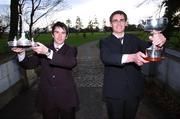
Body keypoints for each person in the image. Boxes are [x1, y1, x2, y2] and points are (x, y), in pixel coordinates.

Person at [99, 10, 166, 119]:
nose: (119, 23)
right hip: (114, 92)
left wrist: (158, 44)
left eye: (122, 20)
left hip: (133, 91)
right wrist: (132, 57)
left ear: (126, 23)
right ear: (110, 24)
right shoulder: (105, 42)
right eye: (115, 21)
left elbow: (150, 49)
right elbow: (106, 57)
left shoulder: (134, 39)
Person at [12, 21, 79, 119]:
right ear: (52, 34)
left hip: (66, 97)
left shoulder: (71, 50)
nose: (60, 36)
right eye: (57, 32)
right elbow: (29, 64)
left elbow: (70, 62)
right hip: (47, 97)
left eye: (63, 33)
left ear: (67, 36)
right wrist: (21, 53)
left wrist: (48, 53)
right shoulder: (43, 49)